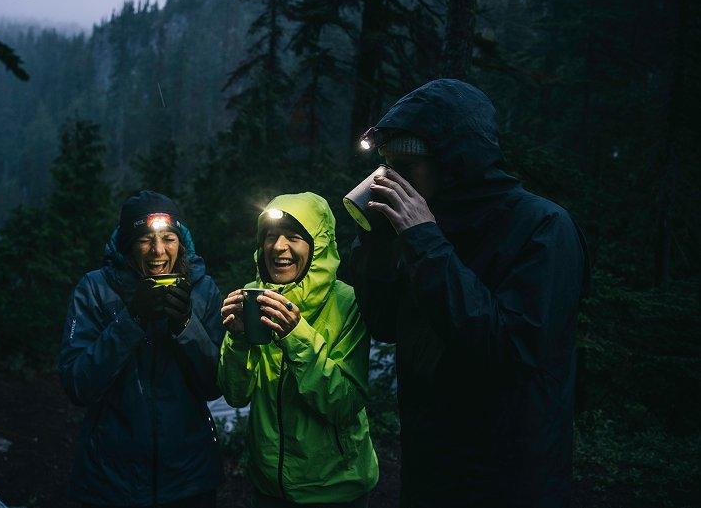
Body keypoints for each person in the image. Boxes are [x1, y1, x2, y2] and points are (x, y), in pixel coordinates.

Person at [344, 79, 587, 507]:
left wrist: (425, 242)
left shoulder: (543, 227)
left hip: (510, 478)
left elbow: (511, 349)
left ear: (455, 163)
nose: (391, 182)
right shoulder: (426, 228)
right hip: (431, 468)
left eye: (406, 167)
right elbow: (384, 325)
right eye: (387, 167)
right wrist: (378, 243)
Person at [60, 191, 225, 508]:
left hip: (188, 478)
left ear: (182, 241)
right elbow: (77, 384)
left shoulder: (203, 290)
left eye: (169, 238)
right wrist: (132, 319)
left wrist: (186, 325)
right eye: (145, 240)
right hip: (111, 480)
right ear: (127, 244)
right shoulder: (95, 290)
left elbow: (214, 385)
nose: (158, 251)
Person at [217, 193, 378, 507]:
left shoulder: (347, 302)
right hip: (268, 488)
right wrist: (237, 341)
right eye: (270, 237)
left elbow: (344, 404)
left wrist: (295, 335)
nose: (278, 247)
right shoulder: (253, 299)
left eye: (293, 237)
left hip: (335, 489)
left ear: (318, 247)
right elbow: (236, 396)